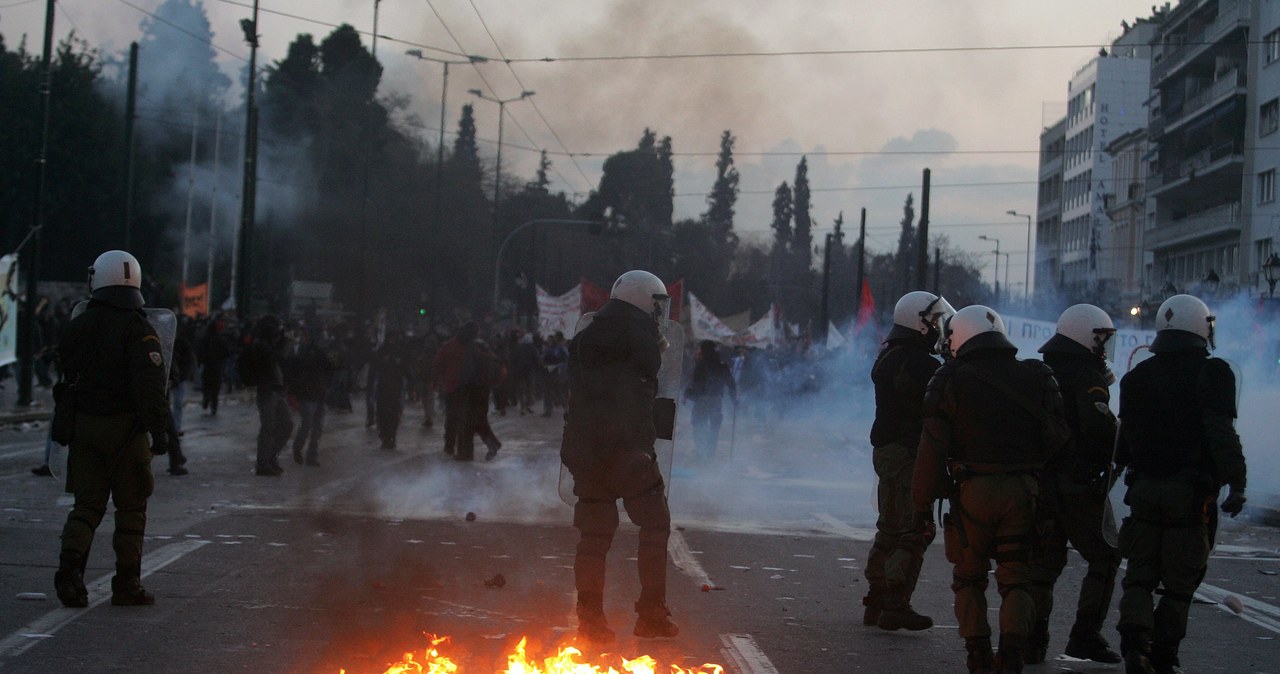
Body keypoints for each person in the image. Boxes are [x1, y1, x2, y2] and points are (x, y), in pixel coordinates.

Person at [912, 305, 1069, 674]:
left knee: (969, 577)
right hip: (1023, 491)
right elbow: (1059, 443)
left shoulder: (949, 381)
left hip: (973, 493)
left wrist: (920, 506)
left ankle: (978, 653)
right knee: (1017, 577)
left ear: (960, 338)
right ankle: (1012, 652)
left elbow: (930, 450)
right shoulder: (1037, 376)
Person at [1114, 294, 1246, 674]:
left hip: (1144, 491)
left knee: (1139, 575)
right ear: (1201, 328)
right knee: (1179, 582)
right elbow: (1221, 433)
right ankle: (1163, 654)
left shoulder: (1136, 377)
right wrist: (1237, 483)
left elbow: (1126, 439)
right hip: (1188, 494)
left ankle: (1134, 647)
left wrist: (1113, 476)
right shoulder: (1214, 372)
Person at [561, 270, 679, 645]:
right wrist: (641, 447)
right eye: (656, 303)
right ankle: (651, 614)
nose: (658, 312)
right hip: (628, 453)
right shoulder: (639, 335)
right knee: (655, 525)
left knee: (594, 537)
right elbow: (640, 391)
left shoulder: (586, 335)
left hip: (584, 451)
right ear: (644, 299)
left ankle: (591, 620)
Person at [53, 250, 172, 607]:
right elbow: (149, 386)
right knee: (131, 506)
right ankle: (127, 583)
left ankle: (70, 572)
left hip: (84, 425)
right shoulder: (139, 330)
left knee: (87, 505)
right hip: (124, 429)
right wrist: (160, 430)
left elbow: (67, 368)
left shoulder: (79, 324)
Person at [1025, 304, 1121, 664]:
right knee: (1106, 555)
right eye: (1100, 338)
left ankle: (1032, 639)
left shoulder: (1042, 370)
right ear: (1086, 335)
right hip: (1078, 484)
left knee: (1044, 563)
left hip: (1042, 480)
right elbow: (1099, 429)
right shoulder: (1086, 375)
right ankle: (1085, 635)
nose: (1103, 347)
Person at [863, 291, 954, 632]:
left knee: (890, 526)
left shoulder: (890, 355)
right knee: (914, 529)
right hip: (908, 452)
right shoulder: (921, 363)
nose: (938, 328)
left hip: (888, 450)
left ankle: (875, 599)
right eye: (933, 321)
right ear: (919, 322)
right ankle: (895, 603)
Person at [247, 314, 293, 476]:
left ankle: (270, 457)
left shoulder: (268, 343)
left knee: (287, 425)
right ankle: (263, 463)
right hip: (267, 391)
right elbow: (280, 357)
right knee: (268, 427)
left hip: (277, 390)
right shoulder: (260, 344)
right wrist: (287, 340)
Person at [285, 323, 333, 466]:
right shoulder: (301, 352)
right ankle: (298, 448)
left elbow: (329, 370)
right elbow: (293, 373)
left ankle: (311, 455)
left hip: (319, 393)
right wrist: (293, 392)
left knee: (317, 427)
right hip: (307, 394)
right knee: (307, 424)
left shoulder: (321, 352)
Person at [685, 340, 737, 462]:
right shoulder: (721, 365)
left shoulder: (700, 365)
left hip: (702, 400)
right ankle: (710, 452)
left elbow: (695, 383)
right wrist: (733, 398)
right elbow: (731, 383)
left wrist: (689, 394)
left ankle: (700, 451)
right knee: (714, 427)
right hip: (716, 400)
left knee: (698, 425)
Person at [456, 329, 503, 461]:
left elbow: (467, 372)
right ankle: (492, 444)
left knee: (468, 421)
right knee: (479, 420)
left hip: (473, 390)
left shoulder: (471, 349)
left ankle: (467, 453)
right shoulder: (483, 347)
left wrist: (461, 386)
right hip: (484, 389)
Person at [433, 322, 476, 456]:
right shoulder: (473, 346)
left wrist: (437, 382)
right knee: (465, 419)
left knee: (452, 418)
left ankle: (450, 445)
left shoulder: (448, 346)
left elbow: (437, 364)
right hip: (468, 387)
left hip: (452, 387)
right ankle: (463, 448)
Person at [371, 329, 410, 450]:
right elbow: (375, 366)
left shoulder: (400, 352)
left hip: (395, 388)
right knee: (383, 412)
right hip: (383, 386)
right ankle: (385, 436)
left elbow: (405, 368)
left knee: (393, 413)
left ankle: (391, 436)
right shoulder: (382, 351)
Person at [197, 316, 231, 415]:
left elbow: (200, 352)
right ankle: (214, 407)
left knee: (206, 385)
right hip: (217, 366)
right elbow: (226, 352)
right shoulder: (221, 339)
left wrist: (200, 361)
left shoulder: (205, 339)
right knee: (215, 388)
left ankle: (206, 398)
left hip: (207, 366)